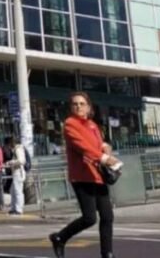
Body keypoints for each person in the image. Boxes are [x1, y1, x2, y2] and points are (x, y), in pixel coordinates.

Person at [50, 92, 122, 258]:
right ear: (71, 107)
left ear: (89, 107)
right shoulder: (70, 124)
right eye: (75, 104)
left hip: (97, 174)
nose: (79, 106)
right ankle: (60, 237)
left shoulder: (92, 125)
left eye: (82, 104)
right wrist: (104, 158)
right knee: (89, 218)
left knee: (107, 216)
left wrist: (105, 147)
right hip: (82, 176)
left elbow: (97, 144)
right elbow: (83, 146)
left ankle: (107, 254)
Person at [5, 137, 27, 216]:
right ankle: (14, 208)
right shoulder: (17, 149)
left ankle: (18, 209)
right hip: (16, 172)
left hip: (18, 172)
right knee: (13, 191)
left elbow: (21, 160)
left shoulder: (18, 149)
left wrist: (11, 162)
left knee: (17, 191)